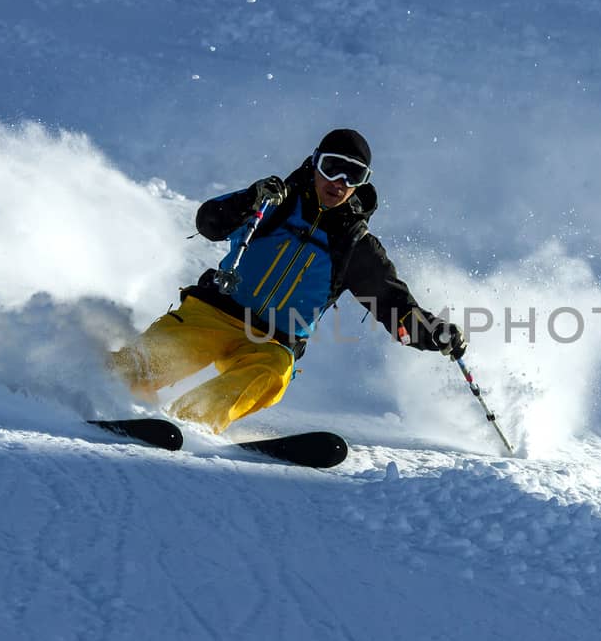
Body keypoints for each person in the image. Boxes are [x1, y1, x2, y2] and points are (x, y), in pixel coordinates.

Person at [110, 128, 467, 433]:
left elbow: (395, 308)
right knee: (144, 365)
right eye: (332, 168)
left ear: (362, 183)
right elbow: (208, 222)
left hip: (271, 342)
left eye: (352, 176)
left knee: (273, 372)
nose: (339, 183)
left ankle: (191, 421)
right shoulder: (276, 201)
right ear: (314, 162)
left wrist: (433, 331)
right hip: (212, 314)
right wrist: (250, 200)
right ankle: (90, 388)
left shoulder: (355, 246)